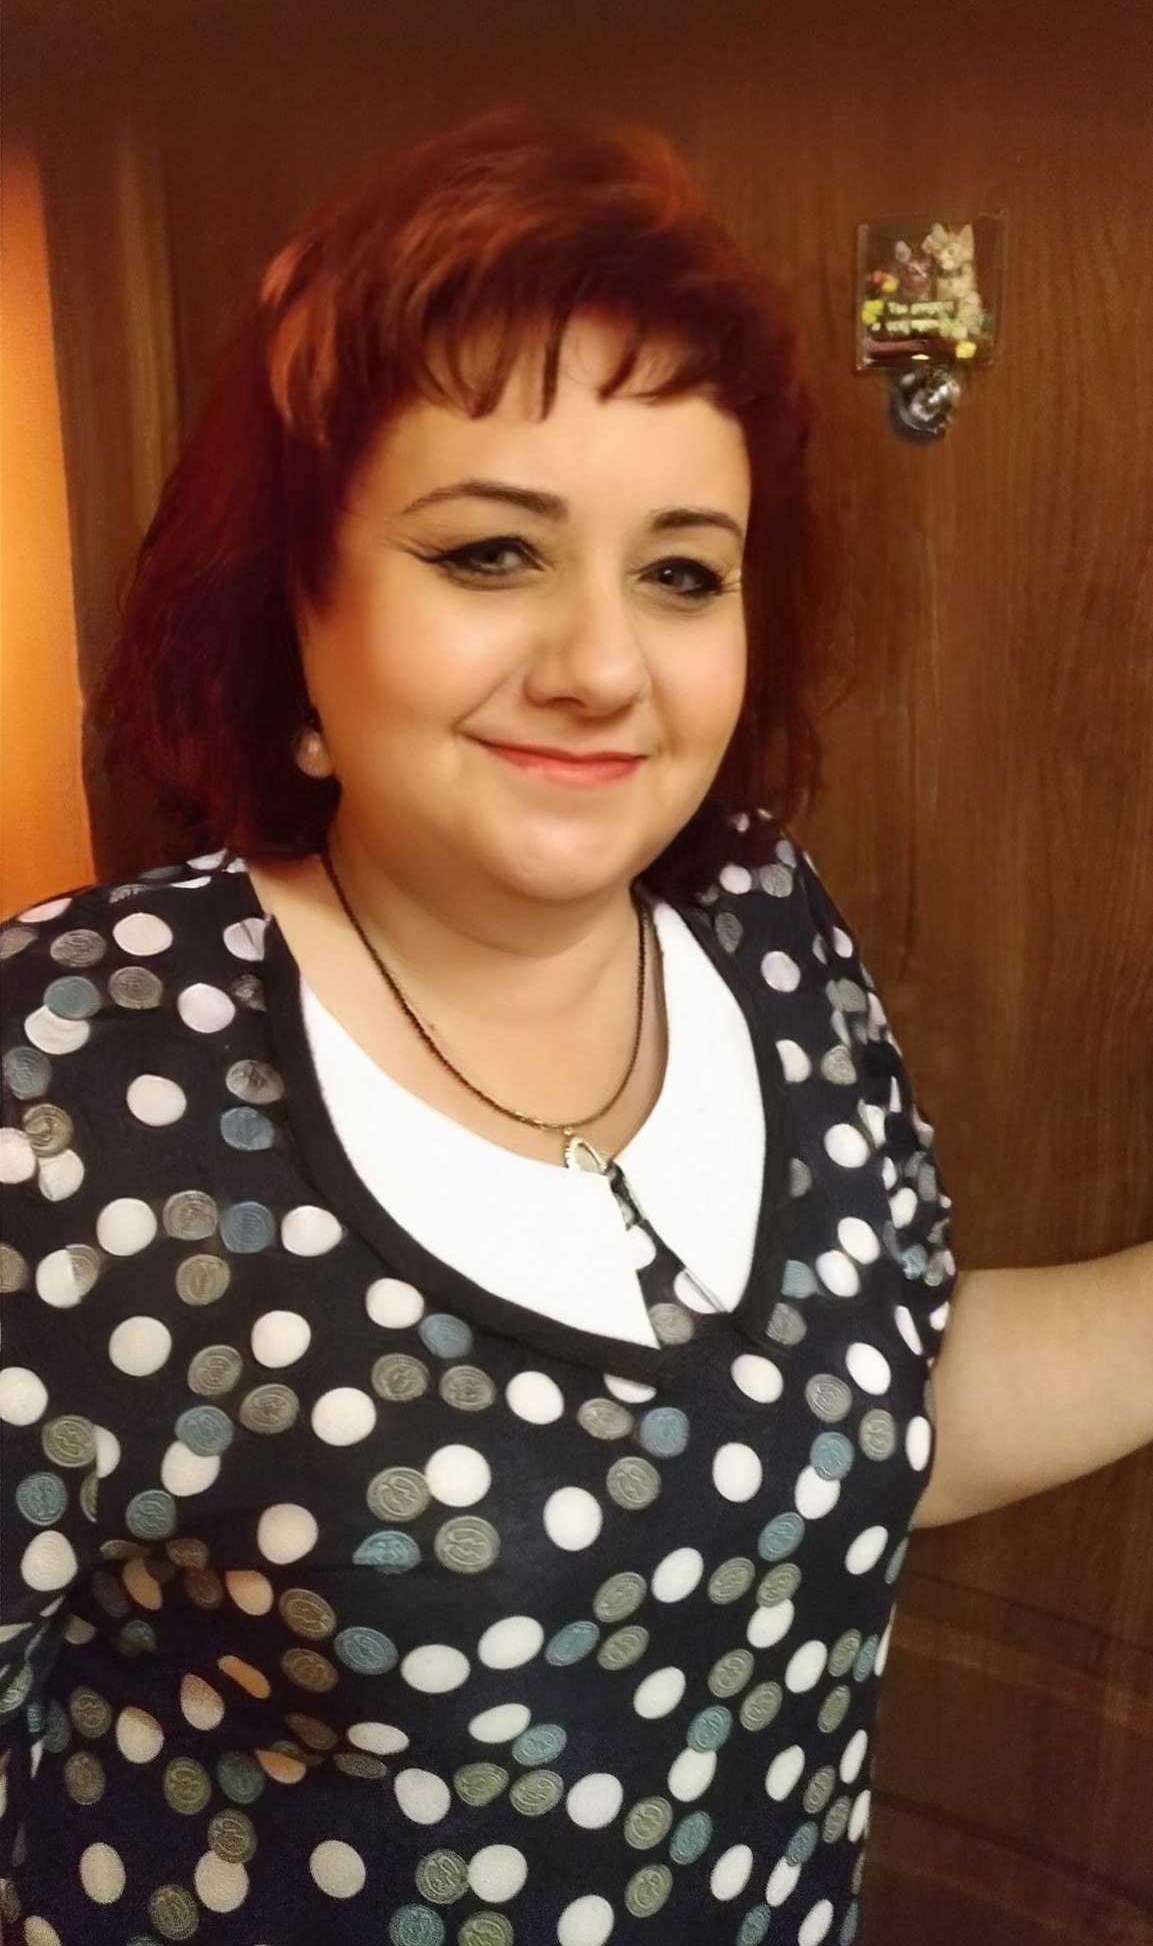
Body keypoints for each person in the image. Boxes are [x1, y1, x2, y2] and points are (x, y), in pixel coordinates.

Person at [1, 106, 1149, 1946]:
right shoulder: (70, 1071)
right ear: (291, 616)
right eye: (489, 553)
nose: (605, 666)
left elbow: (870, 1402)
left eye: (681, 572)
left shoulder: (764, 926)